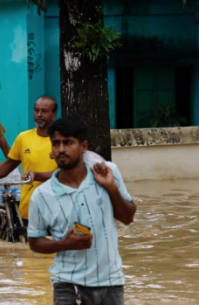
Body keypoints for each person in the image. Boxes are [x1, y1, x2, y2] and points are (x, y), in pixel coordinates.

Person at [27, 116, 136, 305]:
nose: (61, 149)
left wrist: (111, 188)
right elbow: (35, 242)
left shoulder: (108, 172)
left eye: (68, 143)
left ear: (83, 146)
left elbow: (127, 217)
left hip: (111, 281)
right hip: (67, 284)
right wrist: (64, 244)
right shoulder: (41, 195)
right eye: (56, 144)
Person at [0, 96, 59, 224]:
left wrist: (37, 175)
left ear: (53, 115)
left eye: (44, 111)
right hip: (28, 208)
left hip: (57, 210)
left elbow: (66, 174)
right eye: (36, 110)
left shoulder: (63, 140)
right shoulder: (23, 137)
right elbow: (9, 164)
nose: (39, 115)